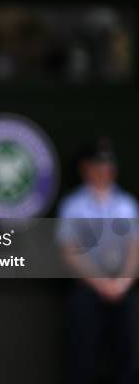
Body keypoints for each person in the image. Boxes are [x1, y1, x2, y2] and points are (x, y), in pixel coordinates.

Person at [58, 138, 139, 384]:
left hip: (123, 288)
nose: (104, 170)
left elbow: (135, 248)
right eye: (98, 164)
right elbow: (70, 251)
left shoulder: (127, 204)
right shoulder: (73, 205)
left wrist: (123, 282)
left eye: (108, 164)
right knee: (82, 356)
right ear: (85, 168)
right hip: (88, 288)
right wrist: (101, 283)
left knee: (126, 354)